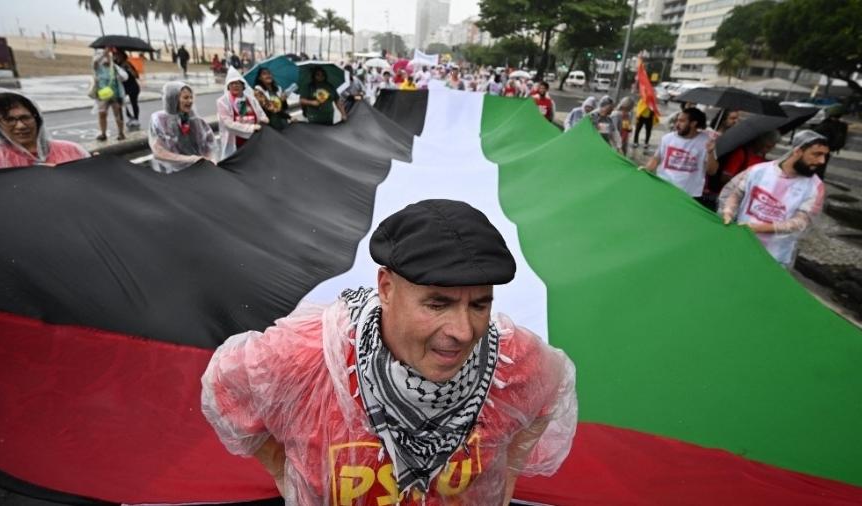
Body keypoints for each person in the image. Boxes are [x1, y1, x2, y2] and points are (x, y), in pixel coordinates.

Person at [201, 199, 577, 505]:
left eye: (479, 305)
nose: (464, 332)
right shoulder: (307, 355)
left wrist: (503, 484)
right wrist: (287, 472)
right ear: (386, 288)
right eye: (437, 304)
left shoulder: (514, 360)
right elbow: (225, 388)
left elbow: (549, 395)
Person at [719, 130, 828, 268]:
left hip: (774, 259)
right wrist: (728, 212)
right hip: (738, 246)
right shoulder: (758, 171)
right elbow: (734, 194)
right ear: (798, 151)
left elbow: (801, 222)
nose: (822, 161)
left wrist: (760, 228)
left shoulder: (815, 187)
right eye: (816, 154)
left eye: (824, 155)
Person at [0, 89, 89, 171]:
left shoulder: (72, 151)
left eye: (25, 118)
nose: (20, 126)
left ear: (36, 118)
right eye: (9, 120)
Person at [643, 107, 718, 199]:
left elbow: (712, 171)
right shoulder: (667, 138)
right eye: (677, 121)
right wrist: (645, 170)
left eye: (682, 121)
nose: (677, 124)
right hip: (663, 187)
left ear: (693, 123)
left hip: (687, 195)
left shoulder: (706, 142)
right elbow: (656, 158)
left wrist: (710, 153)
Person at [148, 82, 218, 173]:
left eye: (191, 97)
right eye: (185, 97)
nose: (190, 101)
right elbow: (159, 152)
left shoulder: (196, 120)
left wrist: (209, 160)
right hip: (171, 173)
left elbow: (210, 144)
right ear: (173, 99)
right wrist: (190, 159)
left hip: (196, 171)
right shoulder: (159, 120)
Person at [216, 66, 269, 160]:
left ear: (243, 85)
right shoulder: (222, 102)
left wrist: (264, 119)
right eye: (232, 84)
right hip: (236, 144)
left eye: (237, 83)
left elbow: (260, 113)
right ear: (228, 86)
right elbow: (228, 124)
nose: (235, 86)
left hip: (254, 140)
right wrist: (251, 127)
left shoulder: (250, 99)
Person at [91, 47, 128, 141]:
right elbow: (94, 62)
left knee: (118, 114)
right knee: (102, 114)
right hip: (102, 94)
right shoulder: (98, 67)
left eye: (108, 57)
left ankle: (121, 133)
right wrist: (104, 54)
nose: (105, 59)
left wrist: (112, 63)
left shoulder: (114, 67)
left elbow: (124, 77)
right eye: (103, 57)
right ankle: (103, 134)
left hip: (115, 94)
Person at [812, 105, 848, 179]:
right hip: (829, 150)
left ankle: (813, 181)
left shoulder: (826, 124)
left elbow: (813, 134)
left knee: (814, 167)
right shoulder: (843, 125)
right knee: (821, 167)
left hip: (818, 148)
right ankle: (818, 182)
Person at [115, 50, 141, 130]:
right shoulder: (116, 65)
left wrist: (129, 68)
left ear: (123, 56)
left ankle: (136, 119)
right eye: (116, 55)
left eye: (118, 55)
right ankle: (126, 119)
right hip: (123, 88)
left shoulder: (128, 64)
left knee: (134, 103)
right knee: (120, 104)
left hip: (133, 87)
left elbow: (136, 76)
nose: (116, 57)